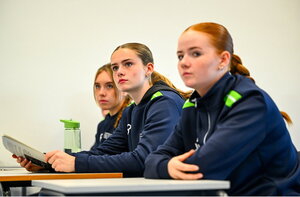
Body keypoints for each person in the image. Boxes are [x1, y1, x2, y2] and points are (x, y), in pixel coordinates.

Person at [144, 22, 300, 195]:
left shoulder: (251, 102)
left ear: (223, 59)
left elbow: (205, 166)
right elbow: (152, 159)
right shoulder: (192, 105)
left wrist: (165, 166)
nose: (184, 63)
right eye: (180, 56)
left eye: (195, 54)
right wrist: (166, 166)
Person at [15, 43, 188, 177]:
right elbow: (102, 151)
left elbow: (145, 159)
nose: (120, 72)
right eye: (115, 67)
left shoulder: (164, 102)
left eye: (128, 64)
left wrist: (76, 164)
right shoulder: (132, 110)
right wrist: (49, 162)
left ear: (148, 68)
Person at [13, 63, 130, 171]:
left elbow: (107, 161)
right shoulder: (103, 124)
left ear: (122, 87)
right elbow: (94, 155)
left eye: (109, 86)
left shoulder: (128, 119)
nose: (101, 92)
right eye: (97, 86)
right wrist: (45, 163)